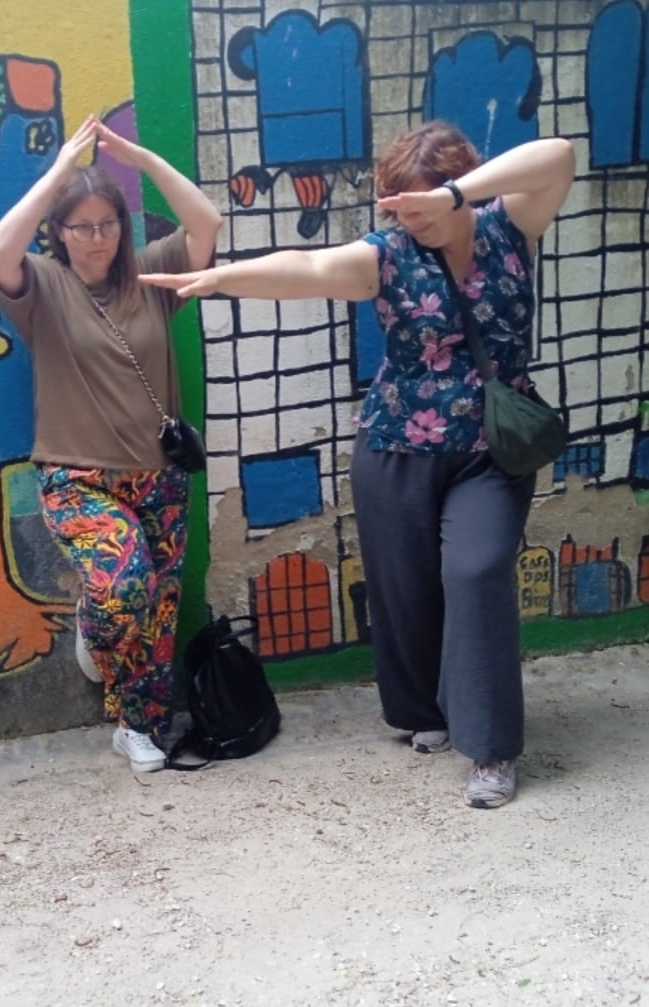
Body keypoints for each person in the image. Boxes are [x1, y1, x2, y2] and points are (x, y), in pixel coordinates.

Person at [141, 123, 575, 808]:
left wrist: (456, 195)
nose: (406, 217)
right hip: (395, 447)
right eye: (394, 204)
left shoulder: (510, 225)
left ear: (457, 190)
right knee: (403, 589)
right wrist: (223, 277)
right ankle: (423, 711)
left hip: (491, 453)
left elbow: (558, 156)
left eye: (416, 203)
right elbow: (308, 269)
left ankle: (491, 747)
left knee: (476, 570)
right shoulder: (388, 254)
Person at [0, 115, 222, 774]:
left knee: (158, 611)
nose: (98, 238)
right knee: (124, 587)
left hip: (160, 476)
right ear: (59, 232)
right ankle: (93, 618)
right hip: (78, 479)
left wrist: (142, 159)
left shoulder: (152, 275)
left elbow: (206, 224)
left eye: (108, 224)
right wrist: (62, 169)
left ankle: (137, 726)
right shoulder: (43, 286)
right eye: (82, 227)